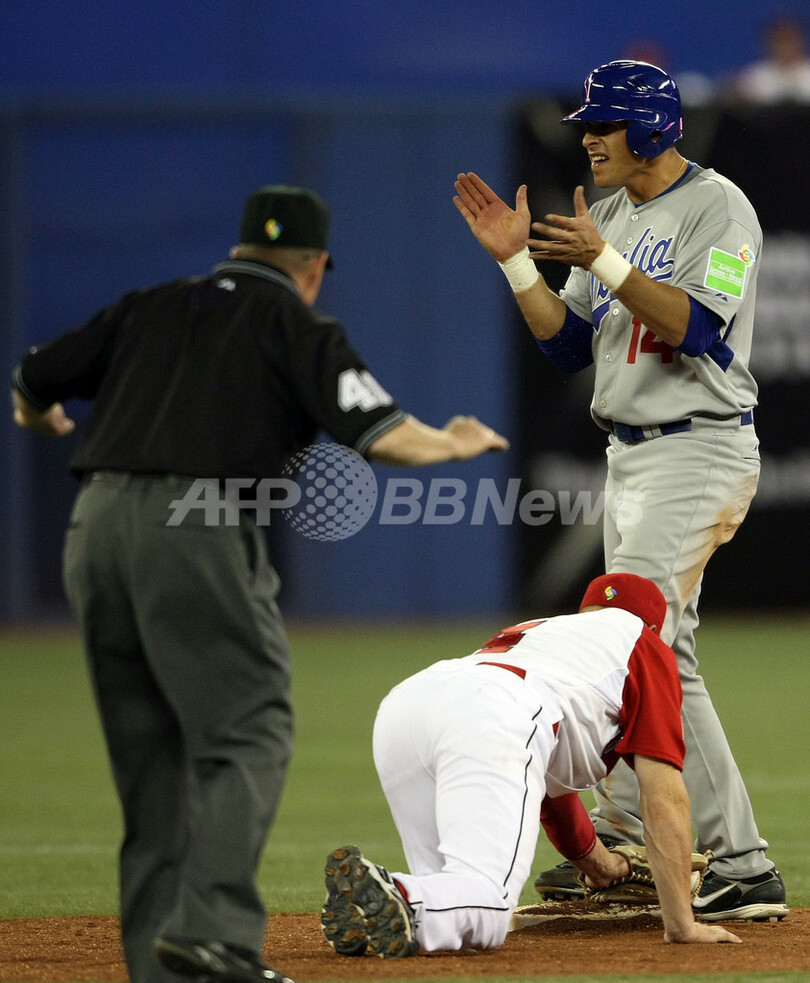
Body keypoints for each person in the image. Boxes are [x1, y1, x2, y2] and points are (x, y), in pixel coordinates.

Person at [10, 184, 509, 983]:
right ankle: (218, 935)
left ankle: (163, 967)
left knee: (152, 762)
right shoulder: (296, 322)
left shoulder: (152, 303)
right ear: (313, 267)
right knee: (251, 726)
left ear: (241, 249)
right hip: (195, 524)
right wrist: (452, 442)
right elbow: (386, 436)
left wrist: (44, 420)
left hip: (95, 527)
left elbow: (34, 378)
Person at [453, 60, 788, 922]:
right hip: (633, 456)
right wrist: (518, 269)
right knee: (636, 649)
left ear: (651, 129)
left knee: (648, 650)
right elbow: (569, 347)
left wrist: (602, 257)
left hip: (698, 446)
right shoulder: (610, 213)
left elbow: (696, 330)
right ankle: (637, 839)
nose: (589, 139)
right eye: (587, 125)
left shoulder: (720, 206)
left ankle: (741, 864)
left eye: (603, 125)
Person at [321, 573, 744, 957]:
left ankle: (372, 909)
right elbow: (663, 795)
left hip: (408, 707)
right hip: (495, 711)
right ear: (654, 625)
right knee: (487, 909)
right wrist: (682, 925)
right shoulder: (643, 643)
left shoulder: (546, 633)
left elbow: (548, 797)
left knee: (451, 911)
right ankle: (395, 893)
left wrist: (607, 868)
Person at [732, 13, 810, 103]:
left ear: (801, 41)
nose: (785, 47)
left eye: (789, 40)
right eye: (780, 41)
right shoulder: (754, 77)